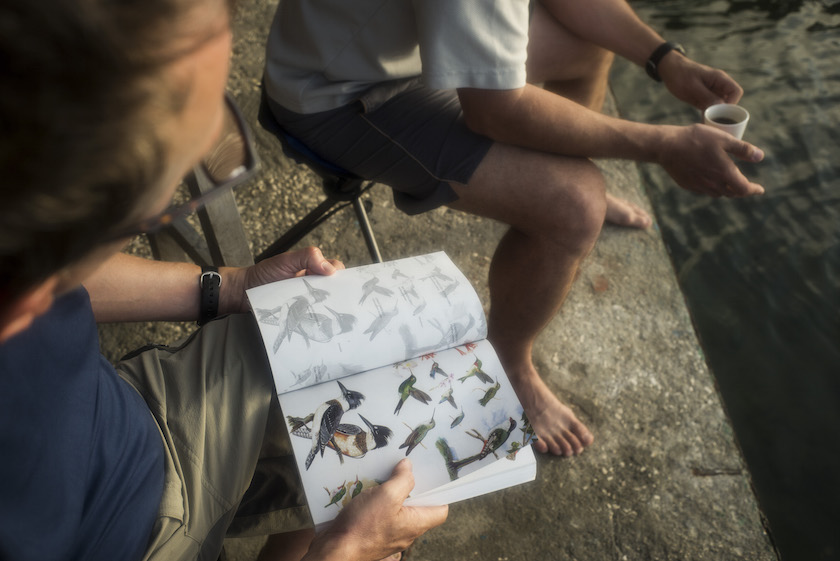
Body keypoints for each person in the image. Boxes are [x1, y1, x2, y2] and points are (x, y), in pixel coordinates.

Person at [0, 0, 446, 560]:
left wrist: (233, 287)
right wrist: (341, 554)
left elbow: (64, 272)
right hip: (142, 541)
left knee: (362, 356)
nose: (175, 198)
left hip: (126, 419)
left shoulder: (23, 242)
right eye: (171, 184)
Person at [261, 0, 766, 458]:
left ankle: (555, 174)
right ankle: (507, 359)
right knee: (575, 207)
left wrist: (664, 58)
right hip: (337, 92)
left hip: (394, 51)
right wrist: (662, 146)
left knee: (588, 48)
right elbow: (495, 111)